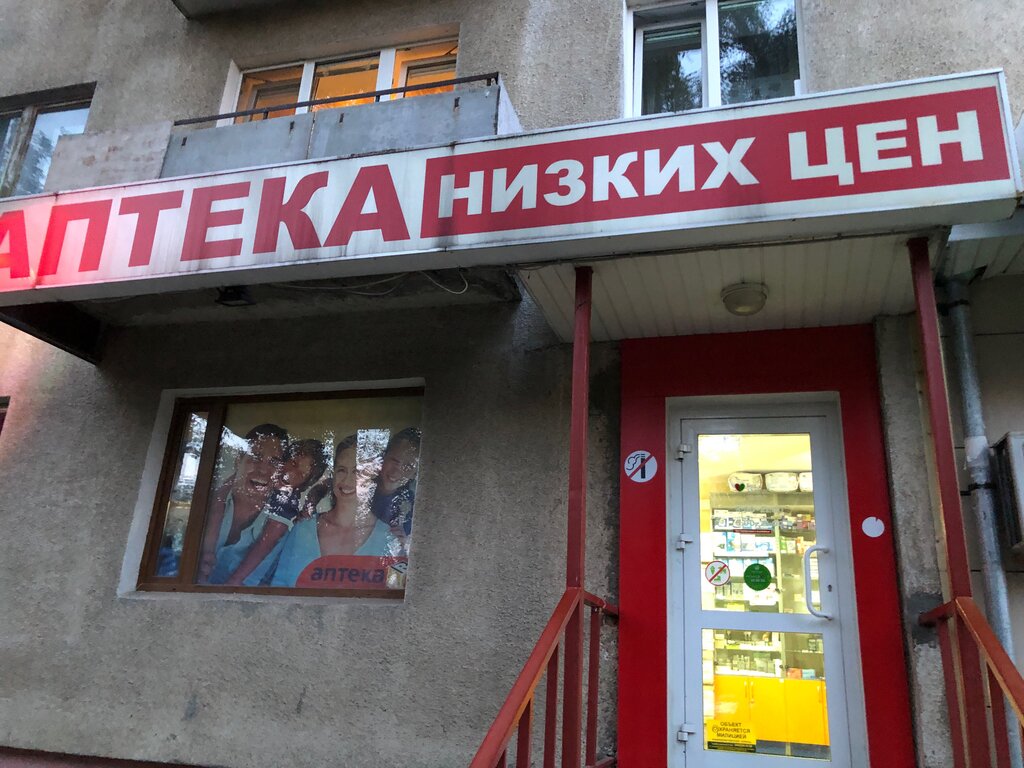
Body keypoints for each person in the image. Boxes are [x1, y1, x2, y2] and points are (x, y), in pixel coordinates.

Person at [270, 435, 403, 588]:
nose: (346, 481)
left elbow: (395, 593)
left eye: (358, 472)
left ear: (373, 477)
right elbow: (278, 588)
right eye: (341, 470)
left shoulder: (389, 540)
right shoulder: (302, 530)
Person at [220, 438, 328, 587]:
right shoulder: (264, 486)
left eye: (302, 474)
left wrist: (234, 581)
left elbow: (265, 543)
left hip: (246, 580)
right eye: (293, 463)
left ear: (304, 484)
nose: (292, 473)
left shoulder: (287, 500)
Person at [196, 423, 288, 584]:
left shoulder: (282, 531)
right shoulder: (205, 503)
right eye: (256, 457)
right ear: (239, 460)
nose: (263, 470)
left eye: (274, 462)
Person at [370, 427, 421, 538]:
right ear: (383, 457)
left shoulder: (413, 506)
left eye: (408, 466)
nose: (396, 471)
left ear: (415, 474)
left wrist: (403, 541)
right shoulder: (363, 490)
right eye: (394, 461)